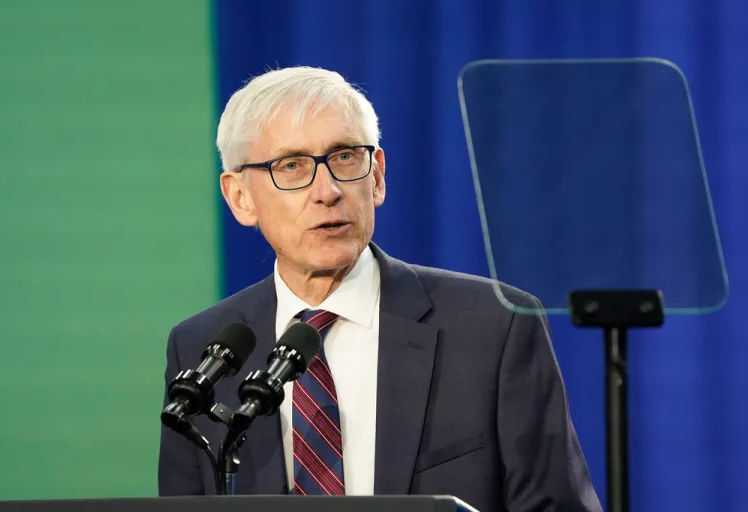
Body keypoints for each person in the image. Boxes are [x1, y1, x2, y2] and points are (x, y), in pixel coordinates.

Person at [157, 65, 602, 511]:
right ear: (240, 198)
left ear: (377, 176)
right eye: (291, 166)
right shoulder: (200, 348)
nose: (327, 190)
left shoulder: (492, 327)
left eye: (345, 157)